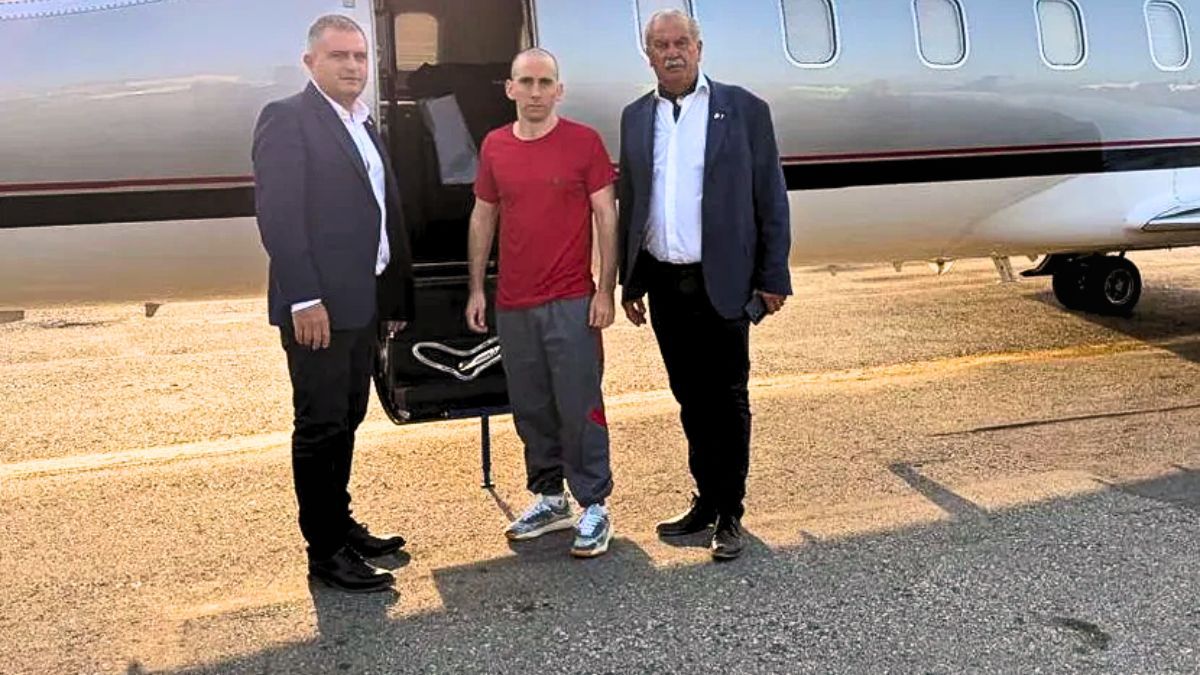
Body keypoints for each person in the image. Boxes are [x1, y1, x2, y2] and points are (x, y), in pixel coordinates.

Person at [616, 10, 792, 560]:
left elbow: (771, 196)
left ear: (699, 48)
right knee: (689, 398)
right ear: (648, 55)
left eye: (681, 43)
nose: (672, 52)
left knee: (728, 398)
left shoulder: (743, 110)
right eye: (661, 45)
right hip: (666, 283)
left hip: (723, 281)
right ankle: (705, 501)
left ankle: (730, 513)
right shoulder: (635, 117)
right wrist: (630, 281)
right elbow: (634, 205)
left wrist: (772, 275)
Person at [252, 14, 414, 592]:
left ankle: (340, 524)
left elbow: (382, 213)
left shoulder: (362, 124)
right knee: (319, 425)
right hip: (318, 309)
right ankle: (324, 553)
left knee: (348, 417)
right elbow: (279, 218)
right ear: (310, 63)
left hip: (360, 303)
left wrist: (391, 295)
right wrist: (305, 299)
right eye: (339, 56)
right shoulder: (288, 120)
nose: (352, 67)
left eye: (359, 58)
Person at [465, 48, 619, 558]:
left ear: (559, 90)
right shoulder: (494, 147)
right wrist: (476, 288)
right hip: (514, 303)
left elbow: (606, 218)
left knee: (579, 404)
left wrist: (604, 290)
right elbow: (483, 216)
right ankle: (551, 498)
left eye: (545, 82)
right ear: (509, 88)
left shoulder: (584, 143)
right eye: (525, 82)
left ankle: (594, 503)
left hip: (571, 301)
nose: (535, 92)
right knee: (530, 407)